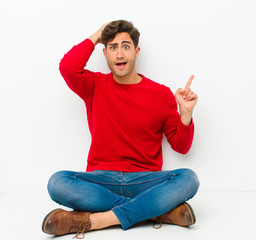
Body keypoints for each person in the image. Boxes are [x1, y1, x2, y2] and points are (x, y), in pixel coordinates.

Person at [41, 20, 200, 239]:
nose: (119, 54)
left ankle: (96, 221)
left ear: (136, 51)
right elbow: (68, 67)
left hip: (144, 180)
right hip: (102, 181)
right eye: (113, 47)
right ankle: (155, 212)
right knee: (57, 182)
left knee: (189, 178)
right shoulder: (94, 85)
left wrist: (186, 113)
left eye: (125, 46)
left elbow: (181, 147)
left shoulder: (161, 94)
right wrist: (97, 35)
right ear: (105, 53)